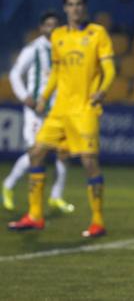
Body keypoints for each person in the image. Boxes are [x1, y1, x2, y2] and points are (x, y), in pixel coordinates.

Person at [8, 0, 116, 238]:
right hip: (59, 110)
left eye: (79, 4)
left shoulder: (97, 33)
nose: (75, 8)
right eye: (70, 4)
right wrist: (44, 97)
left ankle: (97, 221)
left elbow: (109, 69)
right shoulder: (58, 36)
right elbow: (56, 72)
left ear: (84, 7)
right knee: (36, 153)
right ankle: (35, 216)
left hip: (84, 109)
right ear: (65, 8)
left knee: (89, 162)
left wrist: (102, 90)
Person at [3, 11, 74, 214]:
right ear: (41, 28)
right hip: (36, 110)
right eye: (47, 25)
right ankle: (8, 186)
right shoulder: (33, 49)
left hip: (57, 110)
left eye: (55, 25)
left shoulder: (63, 48)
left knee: (63, 152)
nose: (51, 29)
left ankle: (56, 197)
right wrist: (25, 96)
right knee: (36, 153)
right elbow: (15, 73)